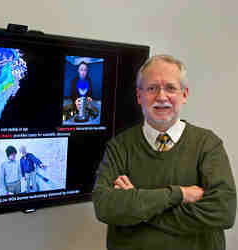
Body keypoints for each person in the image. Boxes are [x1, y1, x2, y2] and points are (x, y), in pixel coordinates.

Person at [92, 55, 237, 250]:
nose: (161, 97)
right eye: (152, 88)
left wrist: (138, 205)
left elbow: (223, 212)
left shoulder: (208, 145)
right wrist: (179, 194)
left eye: (170, 88)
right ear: (139, 96)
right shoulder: (119, 146)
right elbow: (105, 207)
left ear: (184, 95)